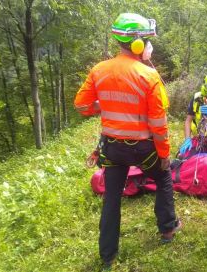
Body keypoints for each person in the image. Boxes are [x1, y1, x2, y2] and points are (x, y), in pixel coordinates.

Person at [74, 13, 181, 270]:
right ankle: (168, 229)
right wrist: (164, 154)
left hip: (112, 148)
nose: (149, 45)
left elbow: (82, 105)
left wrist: (105, 105)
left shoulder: (99, 70)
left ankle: (107, 256)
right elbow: (158, 122)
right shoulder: (149, 76)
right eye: (147, 40)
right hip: (144, 148)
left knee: (112, 197)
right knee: (163, 177)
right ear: (137, 44)